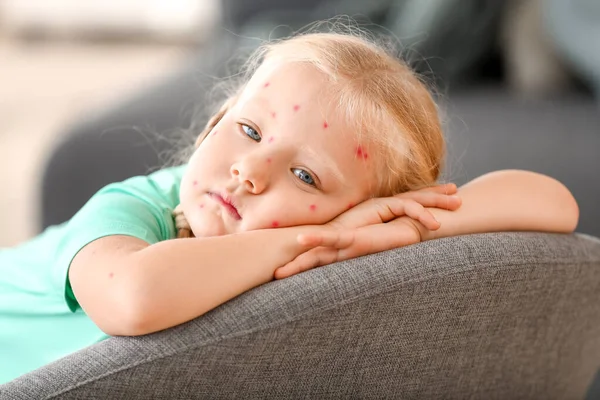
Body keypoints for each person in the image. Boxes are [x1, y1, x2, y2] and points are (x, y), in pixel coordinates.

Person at [0, 30, 579, 385]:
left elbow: (554, 204)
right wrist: (324, 237)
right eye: (249, 130)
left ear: (367, 208)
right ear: (212, 125)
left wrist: (396, 228)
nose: (249, 171)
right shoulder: (135, 207)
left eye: (304, 175)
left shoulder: (359, 230)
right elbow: (133, 299)